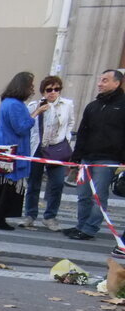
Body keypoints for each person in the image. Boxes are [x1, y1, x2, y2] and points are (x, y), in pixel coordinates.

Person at [0, 72, 49, 230]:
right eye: (30, 86)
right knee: (7, 187)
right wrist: (36, 113)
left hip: (3, 148)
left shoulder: (6, 102)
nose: (32, 89)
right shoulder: (15, 104)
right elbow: (21, 127)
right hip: (13, 151)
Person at [64, 69, 125, 241]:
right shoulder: (93, 106)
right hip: (86, 158)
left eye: (105, 80)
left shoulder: (123, 106)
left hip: (107, 159)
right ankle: (81, 225)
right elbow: (83, 133)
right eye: (99, 80)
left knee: (98, 196)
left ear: (117, 83)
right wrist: (75, 159)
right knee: (83, 194)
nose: (100, 83)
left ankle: (90, 229)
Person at [17, 76, 75, 231]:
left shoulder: (67, 105)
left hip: (57, 149)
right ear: (43, 91)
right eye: (49, 89)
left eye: (57, 89)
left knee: (57, 183)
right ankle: (30, 215)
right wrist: (38, 111)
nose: (53, 92)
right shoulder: (35, 105)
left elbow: (70, 122)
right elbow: (27, 122)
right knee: (33, 183)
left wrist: (67, 138)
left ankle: (50, 217)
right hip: (38, 148)